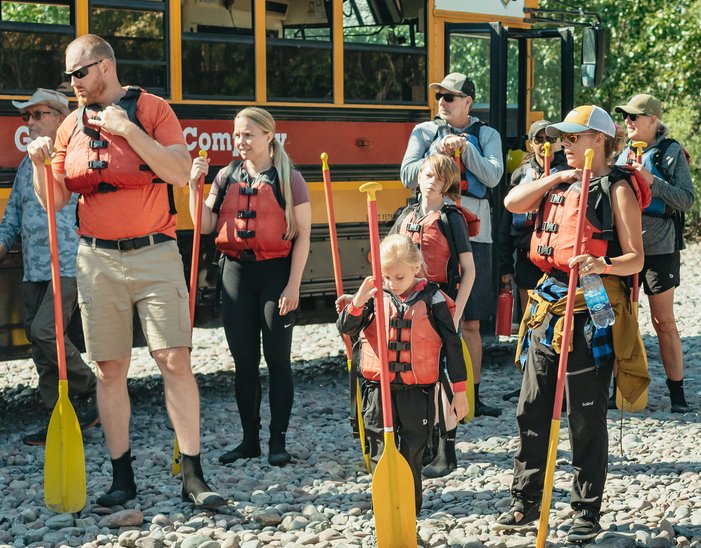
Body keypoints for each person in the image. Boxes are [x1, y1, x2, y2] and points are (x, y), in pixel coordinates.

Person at [27, 35, 224, 510]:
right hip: (95, 259)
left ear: (106, 66)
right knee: (109, 369)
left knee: (174, 361)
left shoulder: (153, 109)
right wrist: (38, 165)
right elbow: (53, 199)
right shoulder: (69, 127)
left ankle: (193, 474)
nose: (73, 83)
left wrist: (128, 130)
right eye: (69, 75)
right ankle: (122, 479)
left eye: (80, 73)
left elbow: (179, 172)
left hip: (155, 254)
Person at [498, 105, 645, 544]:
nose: (563, 143)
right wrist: (556, 178)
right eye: (561, 138)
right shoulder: (554, 180)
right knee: (533, 406)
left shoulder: (617, 188)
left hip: (591, 302)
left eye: (572, 137)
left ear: (598, 140)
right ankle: (525, 499)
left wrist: (602, 262)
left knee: (585, 414)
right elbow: (511, 203)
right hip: (547, 301)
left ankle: (586, 509)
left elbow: (636, 256)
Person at [189, 108, 311, 467]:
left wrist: (293, 285)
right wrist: (193, 187)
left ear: (268, 136)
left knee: (277, 361)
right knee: (244, 362)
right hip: (235, 274)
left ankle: (278, 441)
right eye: (237, 135)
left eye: (248, 135)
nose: (240, 142)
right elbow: (206, 225)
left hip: (276, 274)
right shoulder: (227, 176)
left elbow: (303, 236)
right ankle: (249, 440)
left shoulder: (290, 179)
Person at [338, 234, 469, 514]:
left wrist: (459, 392)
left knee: (413, 452)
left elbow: (453, 347)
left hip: (416, 393)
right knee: (379, 452)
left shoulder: (433, 300)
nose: (392, 284)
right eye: (385, 277)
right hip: (377, 391)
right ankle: (385, 512)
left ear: (416, 268)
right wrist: (360, 298)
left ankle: (409, 512)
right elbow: (346, 329)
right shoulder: (374, 297)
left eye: (398, 277)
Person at [400, 72, 504, 417]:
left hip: (476, 227)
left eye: (449, 97)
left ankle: (471, 396)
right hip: (431, 231)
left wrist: (466, 148)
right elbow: (405, 174)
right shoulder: (424, 132)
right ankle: (428, 391)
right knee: (425, 316)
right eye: (439, 96)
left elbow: (492, 176)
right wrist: (436, 151)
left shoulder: (486, 135)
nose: (442, 102)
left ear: (467, 102)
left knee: (471, 320)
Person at [1, 89, 99, 443]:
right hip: (33, 268)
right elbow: (14, 213)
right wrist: (2, 242)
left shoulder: (75, 157)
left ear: (60, 117)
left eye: (37, 114)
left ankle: (90, 386)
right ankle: (57, 416)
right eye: (25, 117)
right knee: (38, 345)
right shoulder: (29, 163)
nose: (29, 122)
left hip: (68, 264)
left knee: (46, 332)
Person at [390, 153, 476, 477]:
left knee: (443, 377)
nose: (430, 182)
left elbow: (469, 270)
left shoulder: (451, 219)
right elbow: (389, 259)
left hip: (439, 301)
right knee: (418, 373)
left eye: (437, 178)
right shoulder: (406, 216)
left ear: (446, 184)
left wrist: (456, 314)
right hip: (408, 305)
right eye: (426, 175)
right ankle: (424, 441)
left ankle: (447, 449)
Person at [614, 93, 695, 412]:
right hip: (623, 247)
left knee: (663, 320)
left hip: (660, 246)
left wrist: (652, 181)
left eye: (634, 117)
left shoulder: (670, 152)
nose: (628, 122)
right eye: (626, 117)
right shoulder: (620, 152)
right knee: (619, 319)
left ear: (653, 121)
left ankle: (677, 395)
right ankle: (617, 389)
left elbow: (686, 199)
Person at [499, 120, 562, 316]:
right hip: (528, 257)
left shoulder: (568, 172)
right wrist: (505, 265)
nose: (546, 144)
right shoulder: (521, 175)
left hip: (557, 258)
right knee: (531, 318)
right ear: (530, 143)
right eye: (539, 139)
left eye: (551, 139)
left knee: (556, 317)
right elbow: (506, 223)